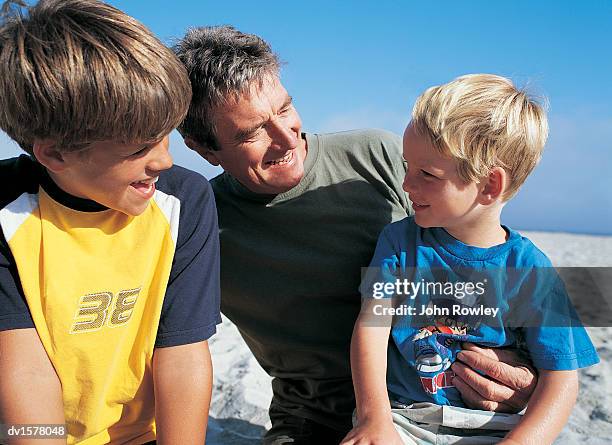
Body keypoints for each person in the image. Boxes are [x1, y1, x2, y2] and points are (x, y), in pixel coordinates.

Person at [174, 27, 539, 444]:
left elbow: (487, 262)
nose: (285, 136)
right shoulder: (200, 223)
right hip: (313, 418)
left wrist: (523, 368)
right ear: (203, 149)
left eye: (285, 108)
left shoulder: (379, 157)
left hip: (434, 403)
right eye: (252, 132)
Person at [0, 1, 220, 444]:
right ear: (56, 154)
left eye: (166, 133)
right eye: (139, 148)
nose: (165, 160)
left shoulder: (183, 200)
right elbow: (23, 372)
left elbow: (180, 353)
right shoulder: (8, 213)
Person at [342, 74, 599, 445]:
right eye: (407, 167)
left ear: (490, 185)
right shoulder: (399, 242)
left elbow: (561, 380)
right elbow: (371, 328)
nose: (406, 185)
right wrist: (373, 419)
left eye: (426, 174)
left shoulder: (532, 271)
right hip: (405, 419)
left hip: (492, 428)